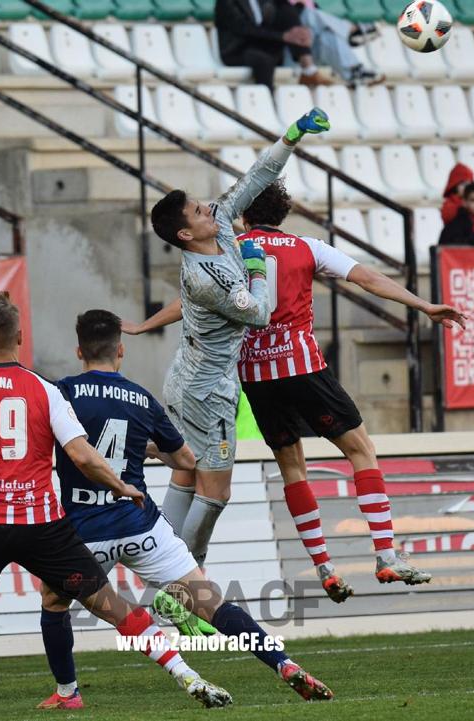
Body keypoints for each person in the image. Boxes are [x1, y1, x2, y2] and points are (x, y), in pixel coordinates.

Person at [0, 293, 232, 720]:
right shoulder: (44, 389)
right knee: (108, 603)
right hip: (42, 526)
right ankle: (187, 675)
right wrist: (121, 486)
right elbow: (83, 455)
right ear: (19, 336)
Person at [134, 182, 467, 603]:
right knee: (360, 450)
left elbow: (190, 302)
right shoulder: (306, 246)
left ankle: (324, 567)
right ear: (282, 212)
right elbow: (366, 277)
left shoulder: (228, 248)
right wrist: (423, 305)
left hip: (255, 374)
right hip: (302, 366)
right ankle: (385, 554)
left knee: (292, 466)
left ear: (244, 216)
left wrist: (145, 325)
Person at [34, 309, 333, 709]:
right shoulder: (141, 399)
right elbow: (187, 461)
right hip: (141, 525)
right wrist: (150, 448)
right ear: (120, 351)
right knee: (212, 604)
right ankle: (283, 663)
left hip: (86, 532)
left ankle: (67, 693)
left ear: (78, 351)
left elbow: (67, 447)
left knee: (54, 605)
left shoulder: (60, 393)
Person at [136, 106, 329, 576]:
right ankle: (183, 581)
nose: (211, 207)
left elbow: (256, 176)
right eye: (199, 210)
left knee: (184, 472)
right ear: (186, 233)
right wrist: (259, 266)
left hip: (187, 377)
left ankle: (163, 578)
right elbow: (260, 313)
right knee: (216, 492)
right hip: (208, 393)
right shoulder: (207, 277)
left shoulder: (219, 224)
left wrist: (291, 136)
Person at [214, 0, 380, 89]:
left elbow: (294, 15)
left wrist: (299, 34)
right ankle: (350, 31)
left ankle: (353, 73)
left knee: (325, 34)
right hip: (243, 50)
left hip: (283, 51)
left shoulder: (271, 2)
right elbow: (244, 29)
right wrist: (284, 36)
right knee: (307, 15)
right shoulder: (227, 1)